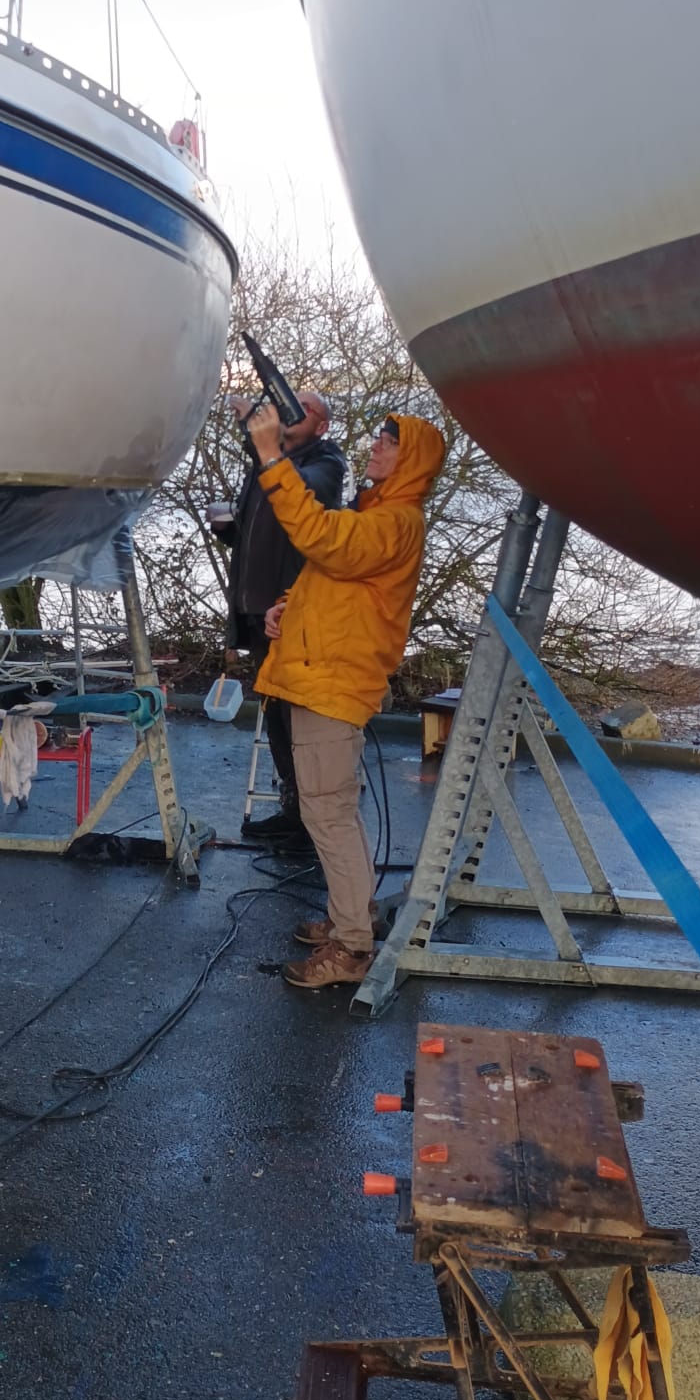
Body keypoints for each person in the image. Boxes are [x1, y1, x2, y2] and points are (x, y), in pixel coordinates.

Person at [245, 403, 447, 990]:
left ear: (411, 461)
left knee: (327, 813)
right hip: (324, 677)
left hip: (332, 684)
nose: (376, 446)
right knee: (332, 809)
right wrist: (288, 608)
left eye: (390, 442)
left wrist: (271, 458)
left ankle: (353, 946)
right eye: (379, 437)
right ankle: (348, 919)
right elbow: (334, 578)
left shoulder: (395, 522)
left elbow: (321, 538)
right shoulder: (378, 514)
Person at [211, 389, 346, 850]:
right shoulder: (265, 466)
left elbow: (303, 496)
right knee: (275, 715)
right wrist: (231, 530)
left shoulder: (327, 463)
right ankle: (295, 812)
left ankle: (312, 821)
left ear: (322, 426)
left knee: (298, 720)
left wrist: (267, 450)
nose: (291, 411)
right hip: (257, 610)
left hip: (292, 613)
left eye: (304, 409)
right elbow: (257, 530)